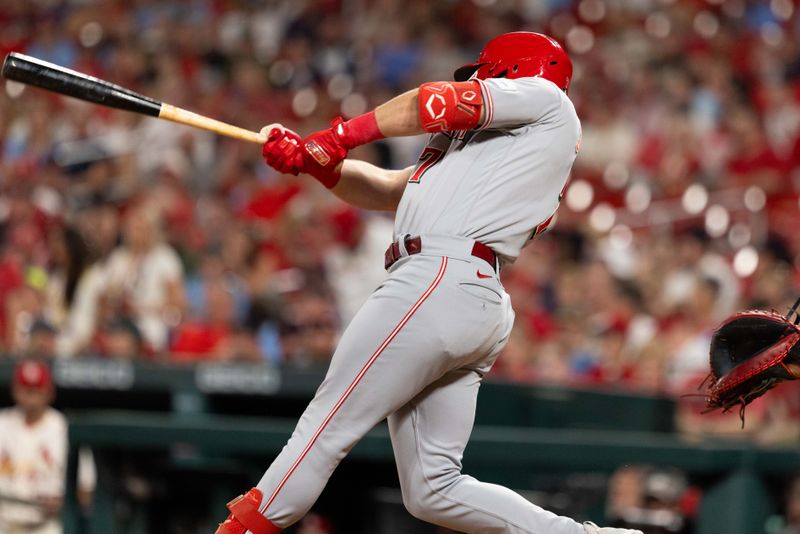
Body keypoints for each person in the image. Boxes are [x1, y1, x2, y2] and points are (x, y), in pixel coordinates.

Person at [216, 32, 641, 534]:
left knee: (325, 426)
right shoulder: (489, 146)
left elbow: (428, 101)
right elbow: (391, 191)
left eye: (483, 69)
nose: (476, 76)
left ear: (508, 68)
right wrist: (317, 163)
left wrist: (340, 135)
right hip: (465, 290)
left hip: (441, 275)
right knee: (434, 489)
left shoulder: (547, 101)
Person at [0, 360, 66, 534]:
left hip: (46, 526)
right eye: (26, 388)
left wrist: (65, 500)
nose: (31, 394)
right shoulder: (2, 423)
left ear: (50, 392)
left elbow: (85, 487)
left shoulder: (63, 428)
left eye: (37, 389)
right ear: (14, 390)